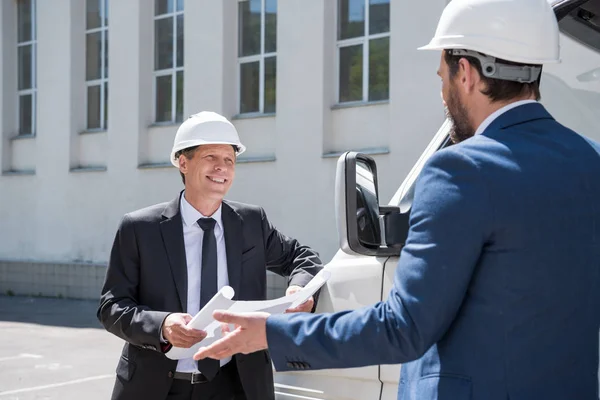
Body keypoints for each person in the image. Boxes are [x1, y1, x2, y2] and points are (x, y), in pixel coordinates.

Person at [192, 1, 600, 399]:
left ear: (467, 72)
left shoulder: (460, 170)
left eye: (441, 76)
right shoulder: (591, 159)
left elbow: (403, 328)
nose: (442, 95)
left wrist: (270, 332)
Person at [97, 111, 323, 400]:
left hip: (236, 385)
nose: (222, 168)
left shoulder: (251, 222)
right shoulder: (140, 228)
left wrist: (300, 289)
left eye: (229, 159)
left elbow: (300, 256)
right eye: (210, 158)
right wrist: (162, 326)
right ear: (183, 162)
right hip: (156, 387)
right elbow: (111, 306)